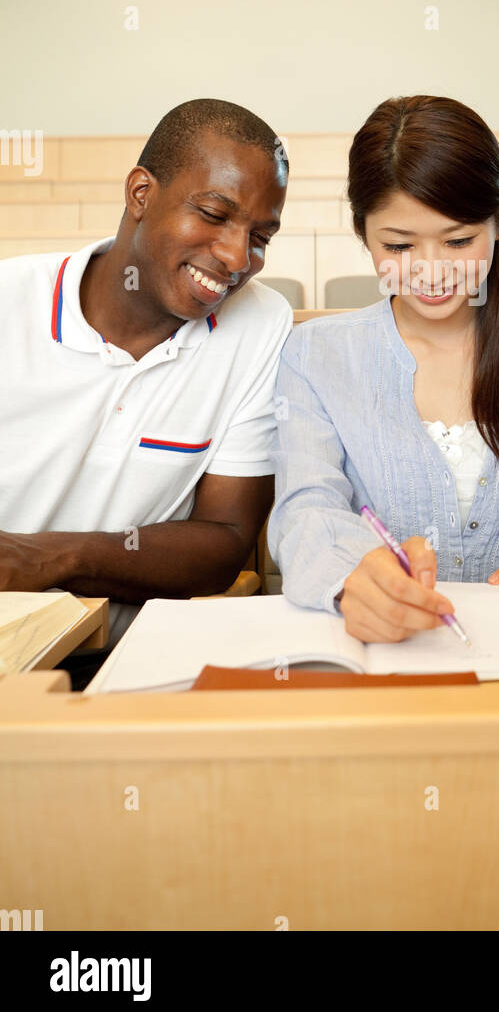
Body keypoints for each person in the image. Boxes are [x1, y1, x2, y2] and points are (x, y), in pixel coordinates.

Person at [268, 95, 499, 643]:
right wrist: (351, 581)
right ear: (363, 233)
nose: (431, 271)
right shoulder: (316, 356)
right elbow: (308, 508)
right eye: (399, 245)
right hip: (380, 655)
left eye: (458, 241)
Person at [0, 98, 292, 666]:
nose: (237, 257)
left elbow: (224, 541)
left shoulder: (259, 324)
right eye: (213, 214)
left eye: (261, 235)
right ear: (140, 194)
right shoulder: (8, 302)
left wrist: (53, 558)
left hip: (127, 658)